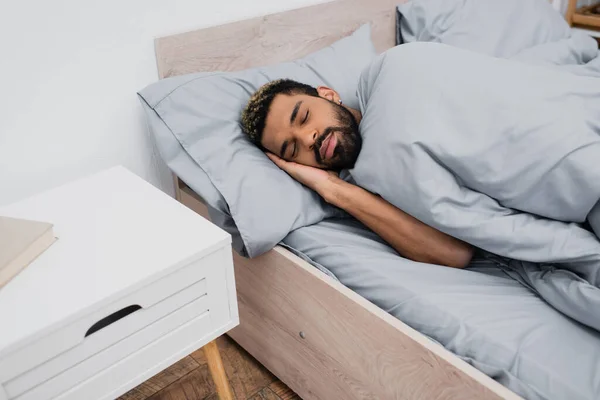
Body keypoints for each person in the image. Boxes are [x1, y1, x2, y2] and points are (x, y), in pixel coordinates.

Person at [240, 79, 474, 269]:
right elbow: (454, 253)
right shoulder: (362, 184)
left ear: (328, 95)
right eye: (292, 149)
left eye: (304, 117)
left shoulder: (391, 90)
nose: (307, 139)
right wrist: (331, 188)